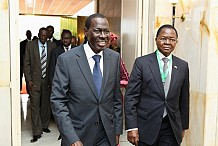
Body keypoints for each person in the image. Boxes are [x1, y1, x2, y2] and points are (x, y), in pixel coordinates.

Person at [50, 13, 123, 146]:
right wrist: (71, 137)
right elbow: (58, 101)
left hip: (106, 135)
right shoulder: (67, 60)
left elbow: (116, 98)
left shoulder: (114, 58)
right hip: (78, 135)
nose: (103, 36)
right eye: (97, 31)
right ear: (86, 32)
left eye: (106, 31)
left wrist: (117, 131)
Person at [124, 24, 190, 146]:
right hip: (146, 126)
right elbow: (131, 97)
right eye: (163, 38)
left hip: (171, 126)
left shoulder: (182, 66)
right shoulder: (142, 63)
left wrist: (183, 127)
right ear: (156, 40)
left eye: (172, 39)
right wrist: (131, 127)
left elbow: (184, 100)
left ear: (176, 42)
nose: (167, 42)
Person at [23, 27, 56, 143]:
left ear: (48, 36)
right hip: (34, 81)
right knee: (35, 106)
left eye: (45, 36)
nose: (43, 38)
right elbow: (26, 63)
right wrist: (28, 80)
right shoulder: (30, 45)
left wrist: (52, 80)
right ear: (38, 34)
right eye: (41, 35)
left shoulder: (52, 46)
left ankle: (44, 125)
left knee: (45, 105)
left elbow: (54, 64)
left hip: (47, 81)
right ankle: (36, 132)